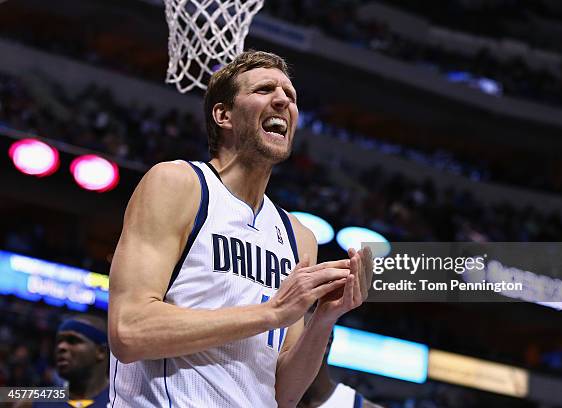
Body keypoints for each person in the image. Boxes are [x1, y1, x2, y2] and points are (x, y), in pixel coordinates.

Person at [108, 50, 373, 407]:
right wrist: (272, 313)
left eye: (290, 96)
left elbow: (283, 395)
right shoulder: (179, 183)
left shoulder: (298, 237)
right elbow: (129, 331)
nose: (282, 100)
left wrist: (324, 319)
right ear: (223, 115)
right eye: (265, 90)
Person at [19, 315, 110, 408]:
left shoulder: (121, 402)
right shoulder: (33, 401)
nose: (61, 347)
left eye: (73, 340)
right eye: (59, 341)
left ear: (101, 352)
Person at [298, 310, 383, 408]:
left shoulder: (359, 405)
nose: (285, 345)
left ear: (327, 343)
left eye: (296, 335)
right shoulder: (277, 398)